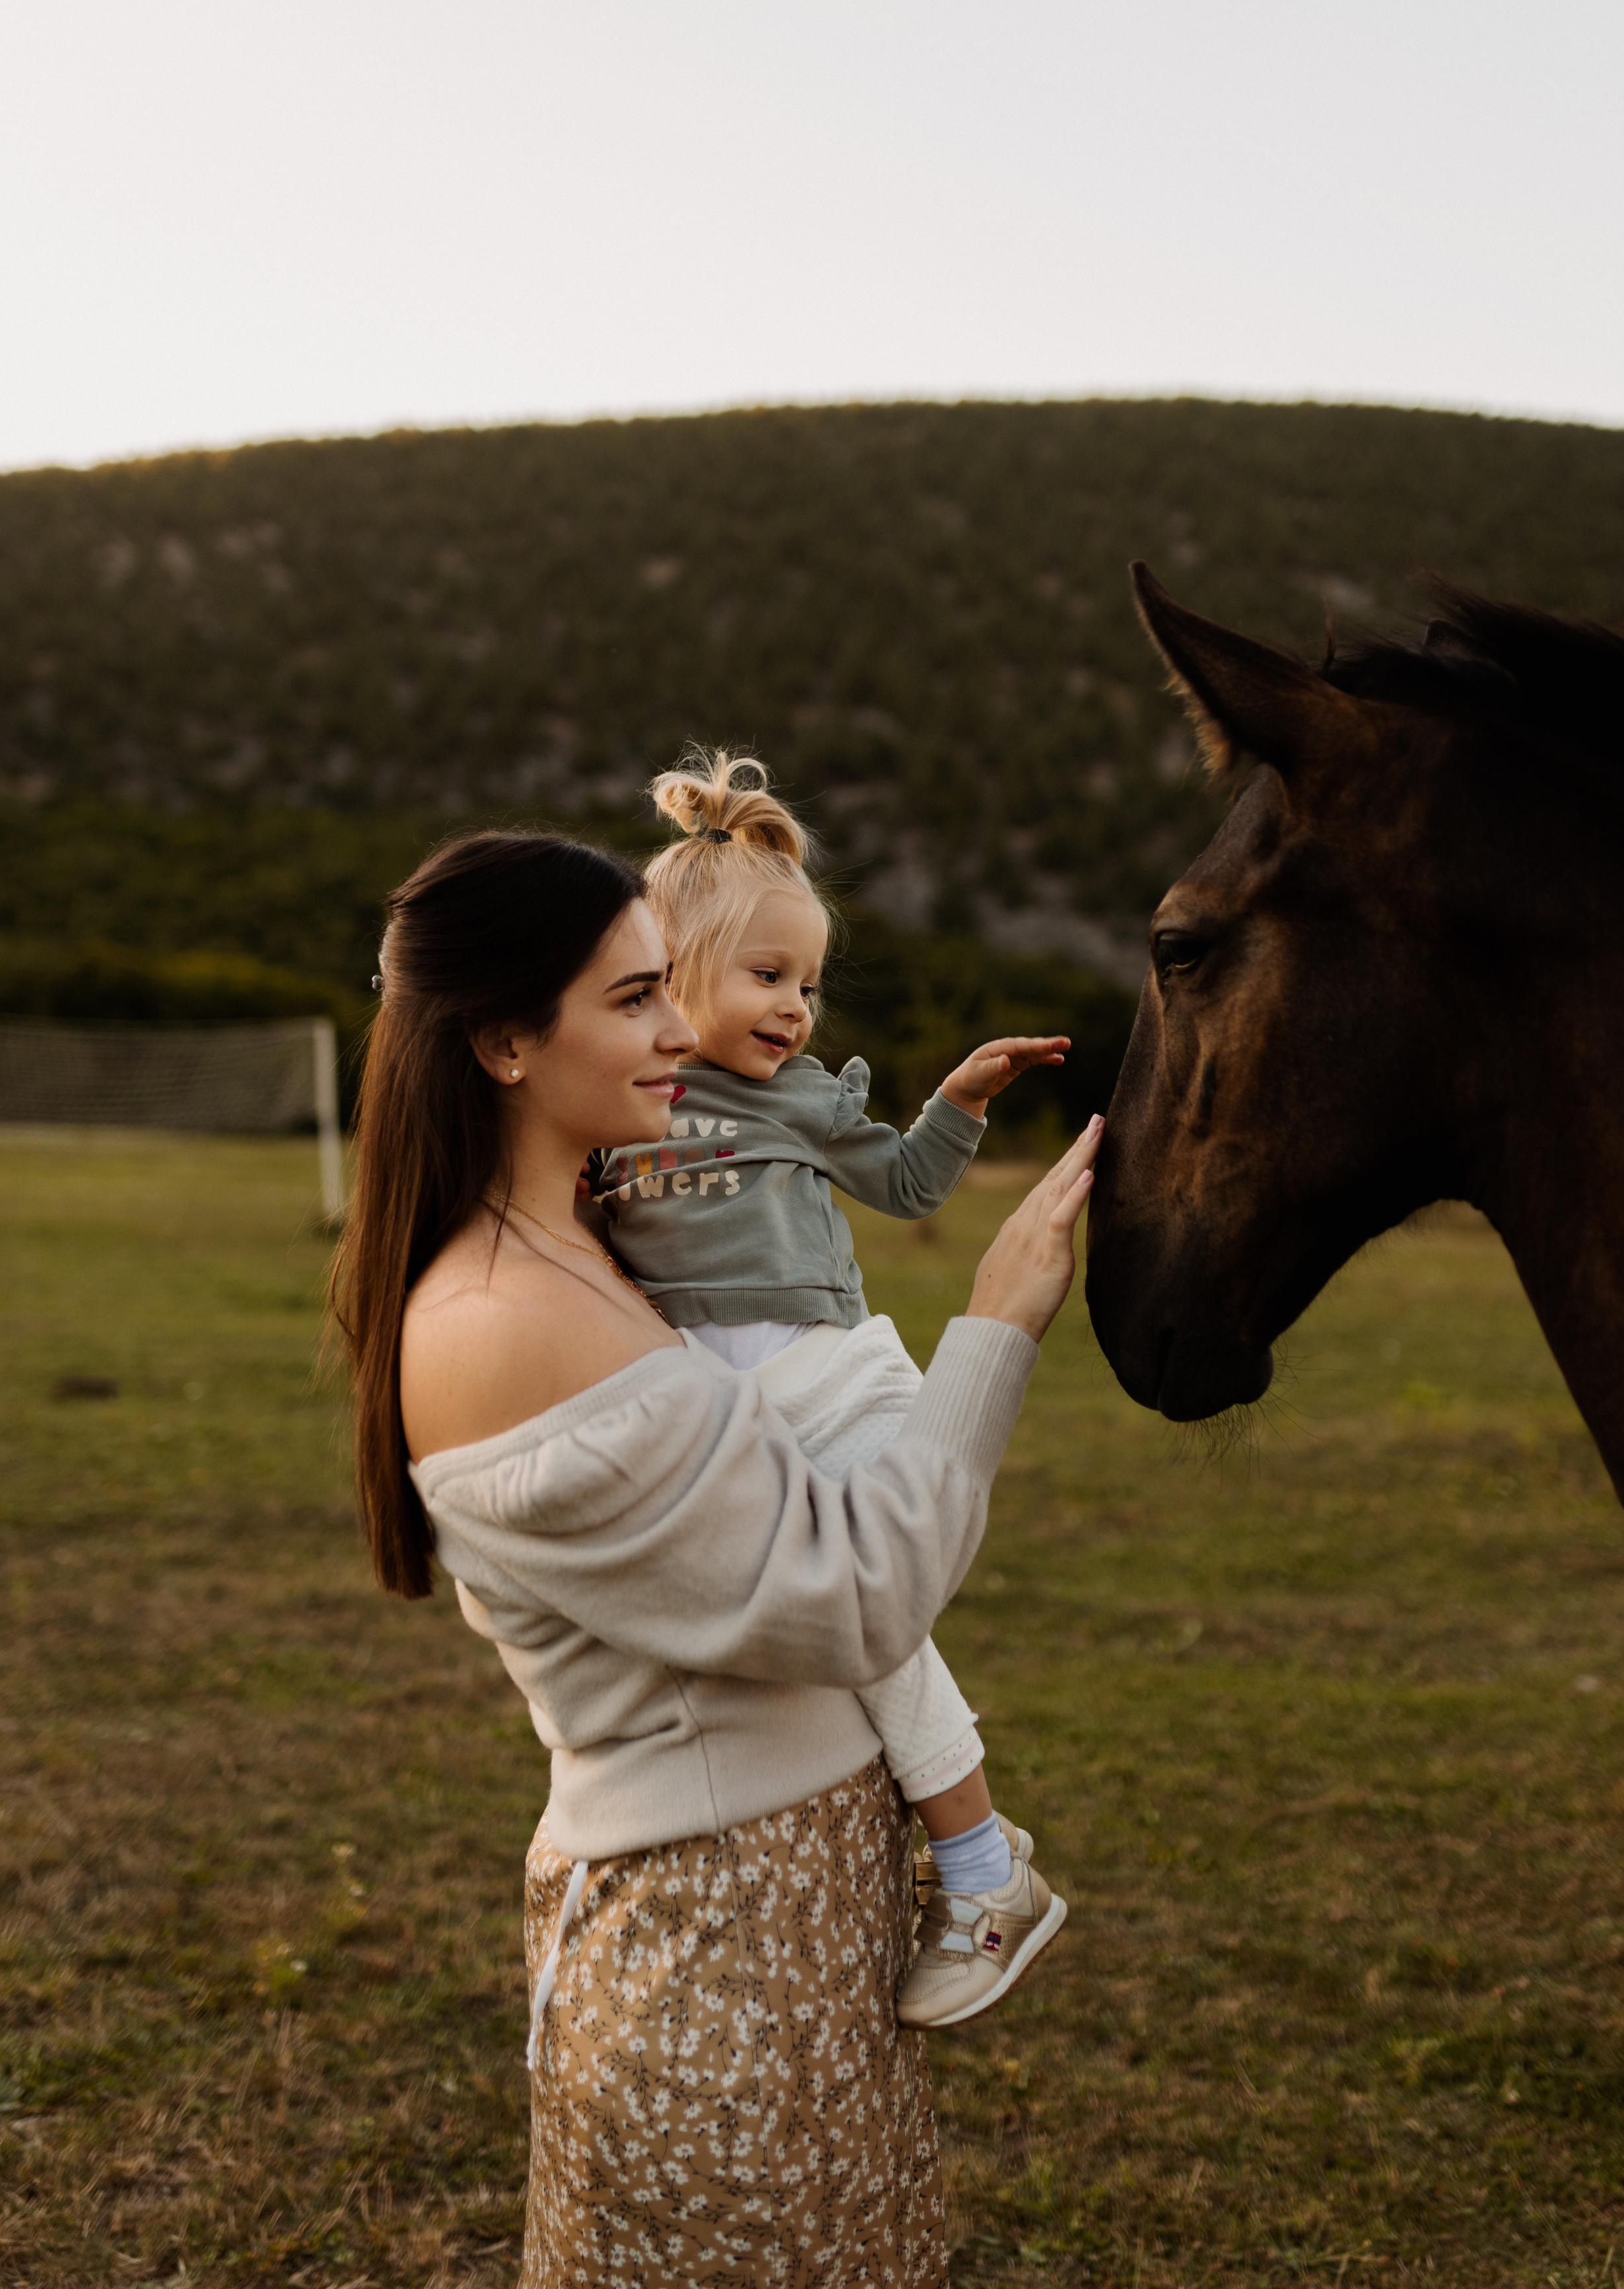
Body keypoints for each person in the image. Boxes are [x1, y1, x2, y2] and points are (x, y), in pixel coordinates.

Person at [332, 826, 1102, 2286]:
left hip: (798, 1925)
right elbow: (862, 1594)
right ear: (502, 1041)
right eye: (632, 999)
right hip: (713, 1961)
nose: (682, 1028)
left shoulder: (592, 1246)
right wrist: (995, 1321)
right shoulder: (507, 1320)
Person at [599, 750, 1073, 2030]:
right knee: (785, 1634)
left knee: (869, 1615)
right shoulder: (612, 1095)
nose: (797, 1008)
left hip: (831, 1375)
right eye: (767, 977)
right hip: (708, 1409)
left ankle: (982, 1869)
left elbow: (909, 1187)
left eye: (807, 983)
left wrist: (959, 1102)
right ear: (664, 971)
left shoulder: (796, 1094)